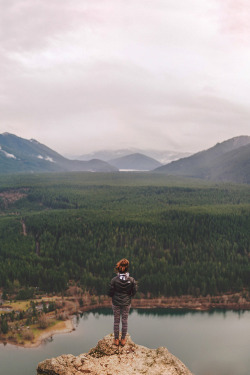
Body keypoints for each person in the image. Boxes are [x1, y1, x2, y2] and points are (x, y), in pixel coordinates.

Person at [107, 258, 137, 346]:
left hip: (116, 302)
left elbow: (110, 292)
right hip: (126, 302)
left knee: (116, 321)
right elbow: (134, 291)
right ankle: (123, 339)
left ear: (118, 269)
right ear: (127, 268)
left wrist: (114, 296)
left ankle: (116, 339)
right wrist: (128, 296)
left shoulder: (114, 280)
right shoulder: (131, 280)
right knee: (125, 321)